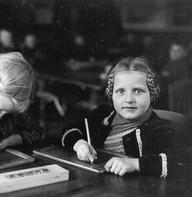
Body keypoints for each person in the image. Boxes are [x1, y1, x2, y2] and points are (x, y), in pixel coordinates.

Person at [60, 57, 189, 177]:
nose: (129, 100)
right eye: (121, 91)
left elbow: (183, 161)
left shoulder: (158, 130)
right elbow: (69, 130)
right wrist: (79, 143)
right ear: (111, 95)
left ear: (152, 94)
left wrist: (136, 164)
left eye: (138, 91)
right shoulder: (103, 113)